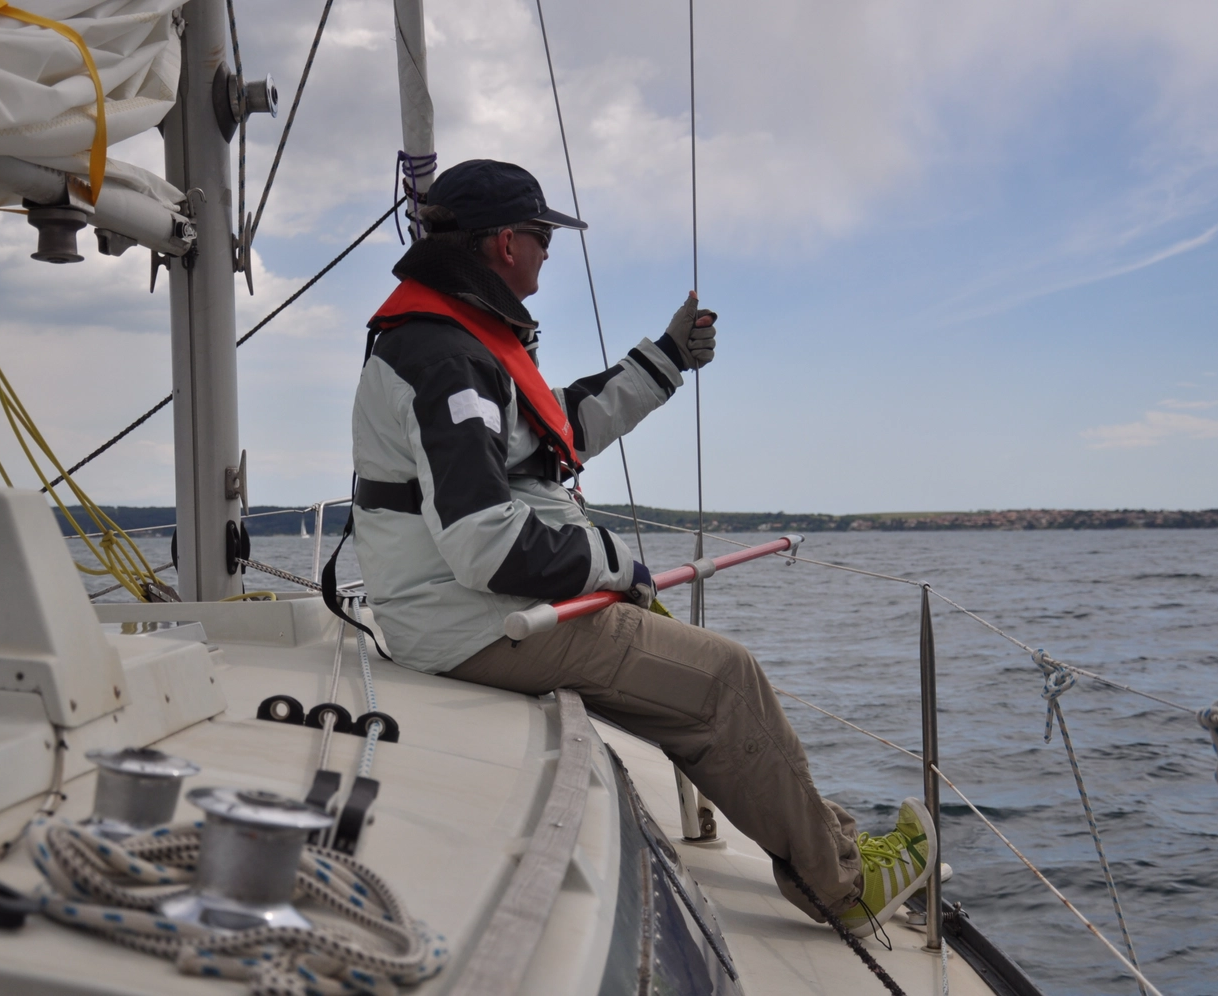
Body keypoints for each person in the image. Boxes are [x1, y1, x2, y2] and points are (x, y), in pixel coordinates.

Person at [350, 158, 934, 932]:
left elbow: (554, 431)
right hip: (472, 622)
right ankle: (845, 888)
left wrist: (666, 359)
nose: (549, 249)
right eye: (540, 234)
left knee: (694, 668)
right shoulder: (448, 359)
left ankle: (830, 839)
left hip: (464, 610)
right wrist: (616, 567)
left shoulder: (451, 342)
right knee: (727, 676)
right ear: (502, 245)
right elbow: (484, 548)